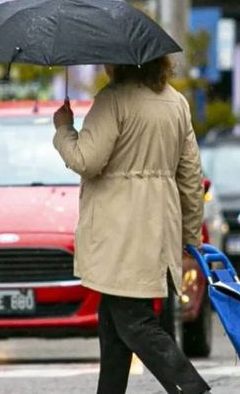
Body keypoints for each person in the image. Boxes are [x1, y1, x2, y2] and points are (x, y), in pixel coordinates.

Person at [53, 56, 210, 394]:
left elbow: (86, 160)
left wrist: (65, 129)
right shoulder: (176, 103)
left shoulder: (113, 100)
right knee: (113, 326)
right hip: (159, 225)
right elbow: (190, 176)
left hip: (119, 229)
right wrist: (190, 236)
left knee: (134, 322)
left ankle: (190, 386)